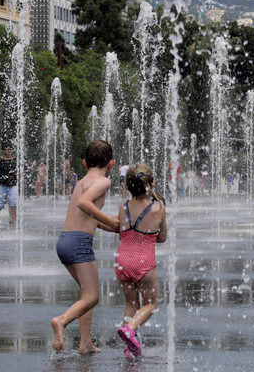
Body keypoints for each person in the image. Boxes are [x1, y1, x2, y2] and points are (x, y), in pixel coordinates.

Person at [51, 140, 118, 354]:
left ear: (83, 162)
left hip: (65, 241)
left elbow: (88, 216)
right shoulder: (102, 182)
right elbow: (84, 204)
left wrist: (113, 227)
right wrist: (111, 220)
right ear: (112, 164)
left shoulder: (81, 181)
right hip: (79, 243)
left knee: (86, 294)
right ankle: (61, 321)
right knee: (92, 297)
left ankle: (85, 343)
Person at [114, 163, 167, 358]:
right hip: (144, 262)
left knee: (131, 304)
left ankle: (129, 348)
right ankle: (130, 329)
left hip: (122, 260)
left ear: (127, 186)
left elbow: (122, 234)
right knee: (151, 304)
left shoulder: (123, 207)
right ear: (151, 185)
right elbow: (162, 237)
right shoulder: (158, 209)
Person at [0, 143, 18, 229]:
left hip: (13, 185)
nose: (8, 151)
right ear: (2, 150)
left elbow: (18, 173)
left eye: (10, 149)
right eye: (6, 149)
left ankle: (14, 223)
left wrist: (19, 182)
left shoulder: (15, 160)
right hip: (1, 185)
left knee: (13, 203)